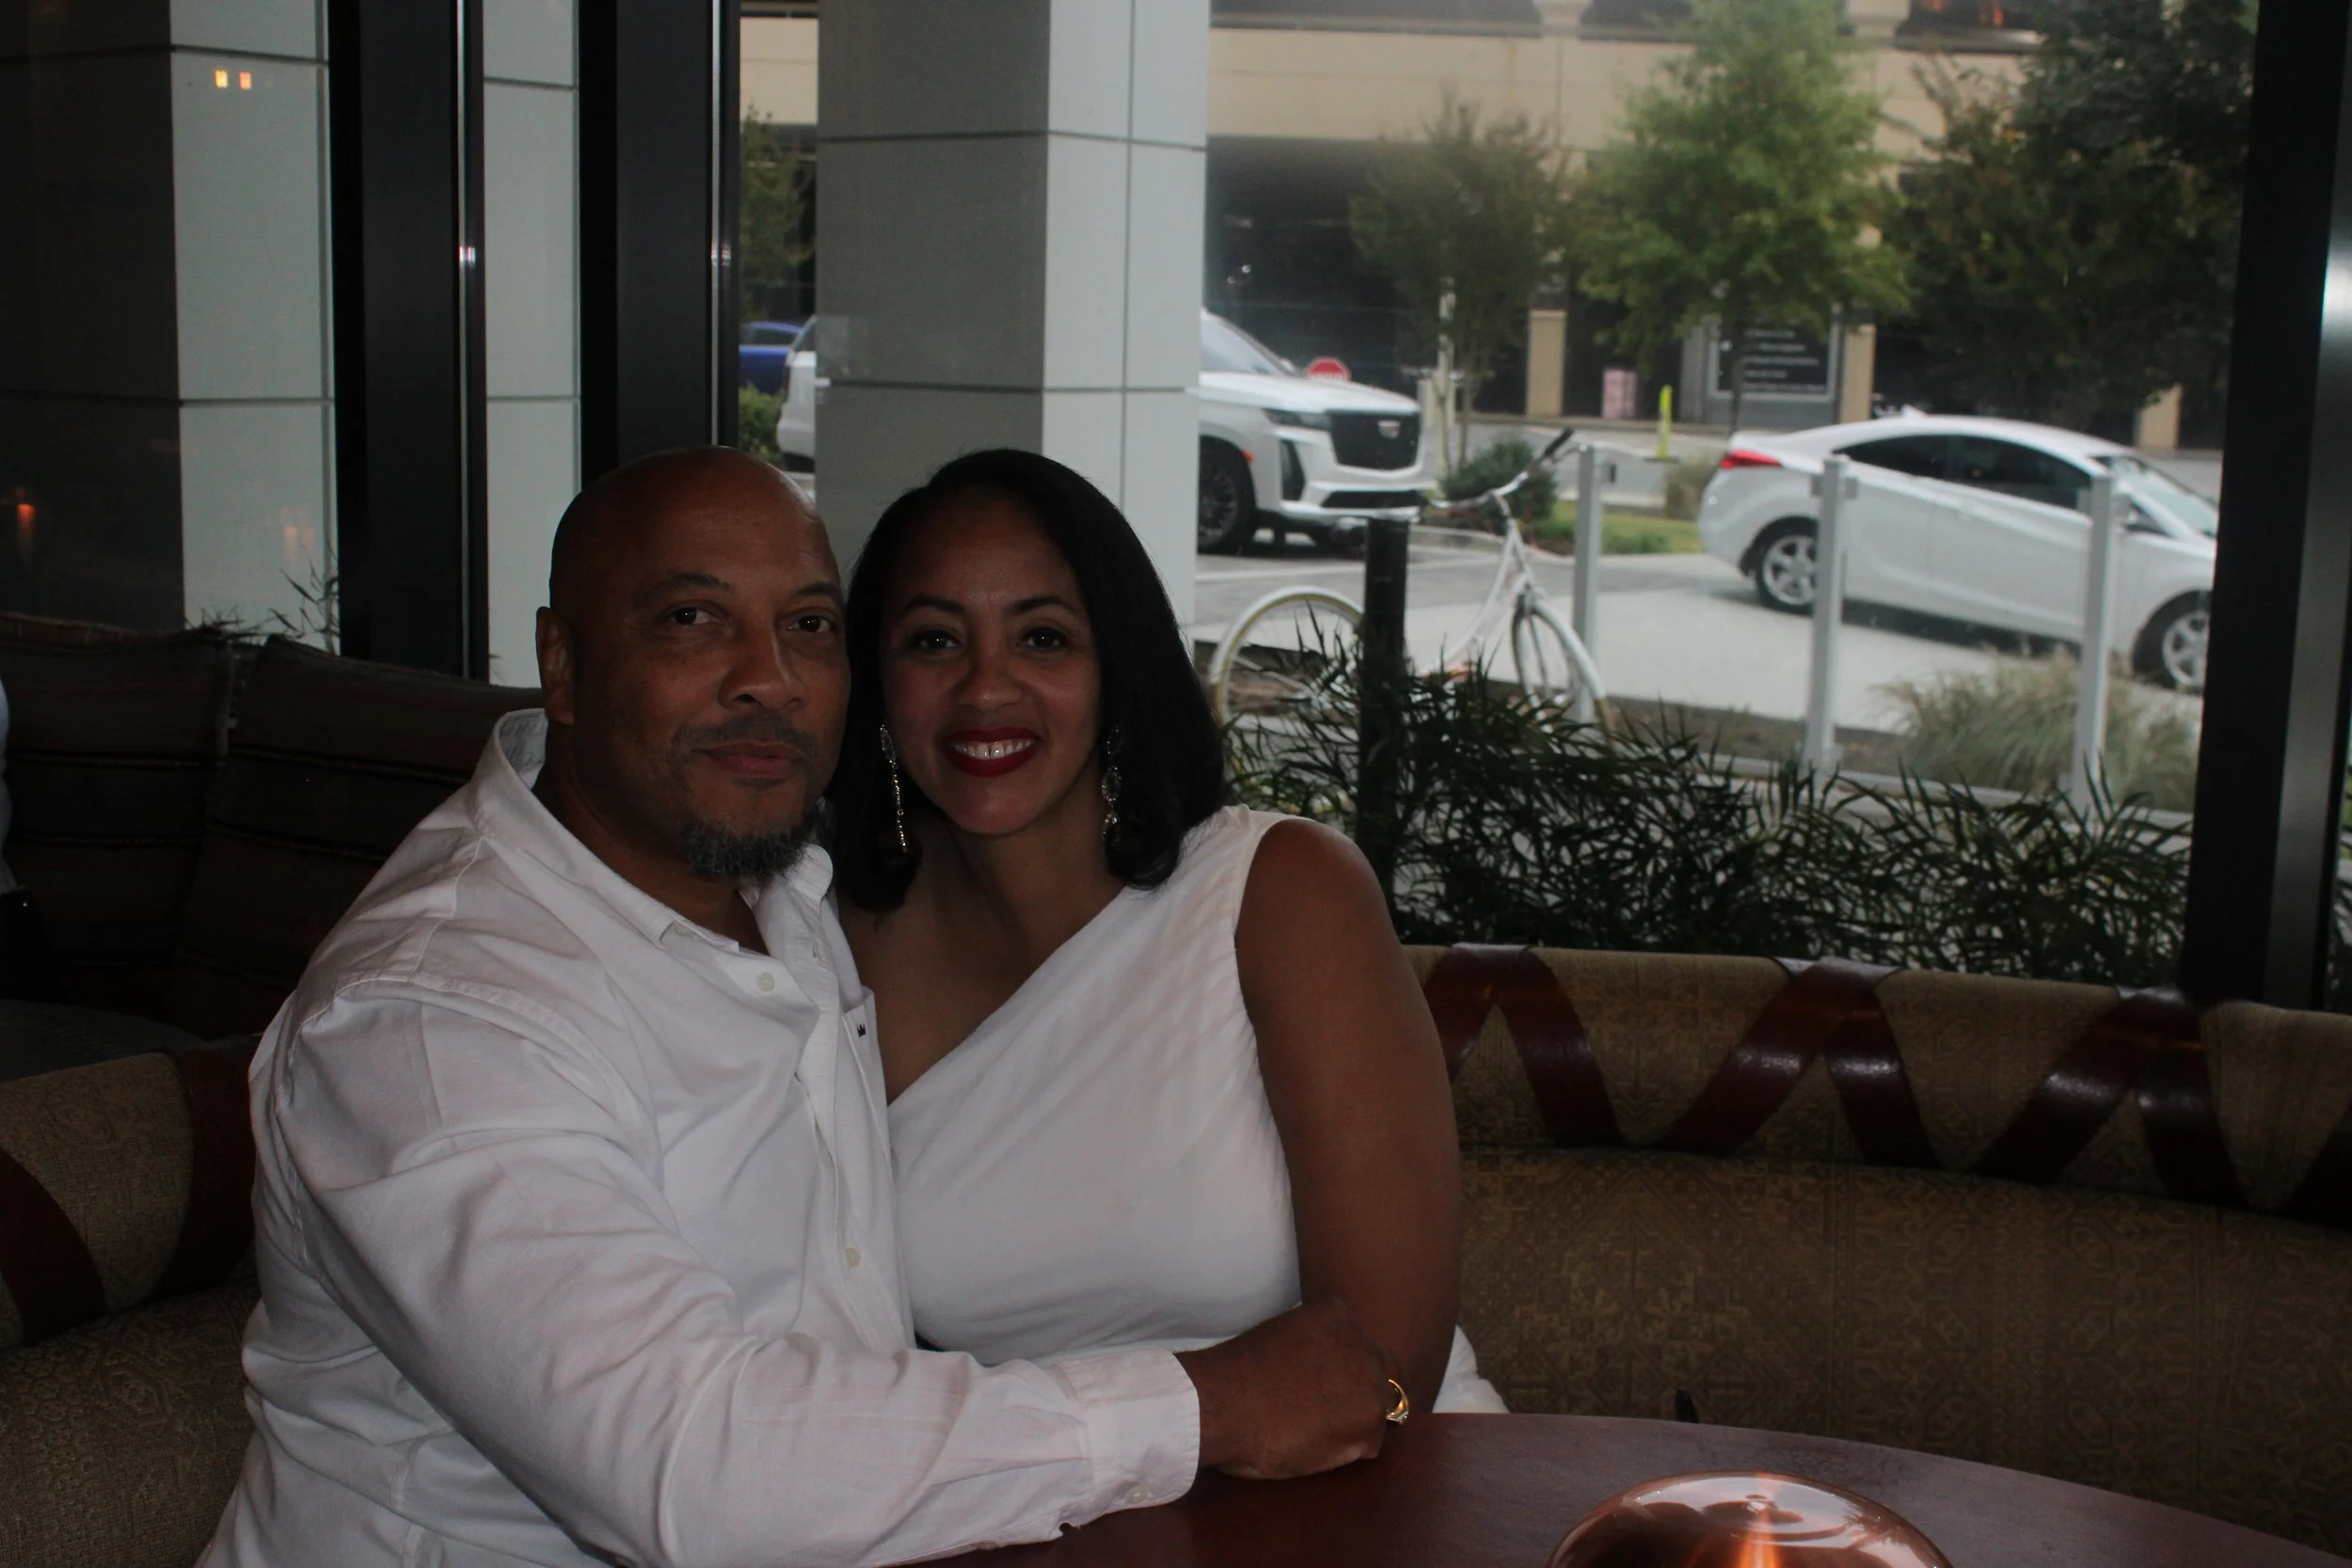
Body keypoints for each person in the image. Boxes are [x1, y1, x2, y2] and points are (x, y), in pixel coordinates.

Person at [200, 448, 1398, 1568]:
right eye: (692, 618)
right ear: (561, 664)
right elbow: (691, 1465)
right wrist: (1199, 1403)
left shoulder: (795, 897)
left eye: (808, 625)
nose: (767, 677)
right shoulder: (434, 1017)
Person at [830, 450, 1505, 1420]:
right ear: (876, 681)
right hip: (1033, 1492)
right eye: (935, 640)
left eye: (1043, 638)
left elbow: (1390, 1366)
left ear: (1119, 664)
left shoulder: (1282, 893)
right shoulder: (829, 941)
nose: (984, 688)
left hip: (1370, 1480)